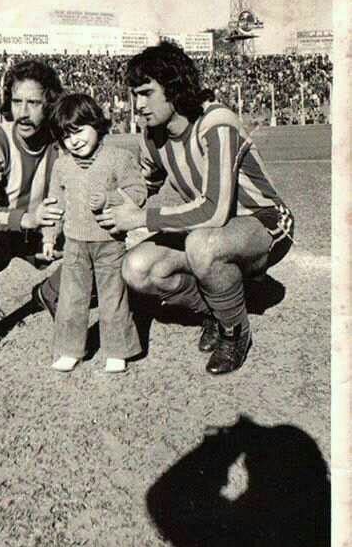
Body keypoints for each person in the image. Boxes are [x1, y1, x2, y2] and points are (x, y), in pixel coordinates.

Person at [96, 41, 295, 375]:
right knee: (137, 268)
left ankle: (235, 331)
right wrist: (117, 199)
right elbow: (146, 185)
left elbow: (215, 211)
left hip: (264, 221)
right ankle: (214, 311)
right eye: (134, 95)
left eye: (146, 93)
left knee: (203, 244)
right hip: (209, 230)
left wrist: (139, 217)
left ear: (173, 88)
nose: (138, 105)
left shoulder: (215, 121)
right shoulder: (152, 137)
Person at [0, 58, 66, 349]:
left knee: (107, 246)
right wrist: (26, 219)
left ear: (50, 102)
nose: (23, 112)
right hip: (7, 234)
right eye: (17, 101)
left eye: (33, 102)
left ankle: (50, 293)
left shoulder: (64, 141)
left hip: (51, 232)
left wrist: (55, 229)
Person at [42, 93, 145, 373]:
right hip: (75, 243)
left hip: (110, 242)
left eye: (79, 130)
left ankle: (117, 350)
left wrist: (110, 198)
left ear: (97, 124)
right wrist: (49, 237)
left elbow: (138, 192)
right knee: (72, 298)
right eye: (66, 135)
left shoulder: (118, 158)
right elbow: (54, 204)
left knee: (113, 297)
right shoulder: (62, 165)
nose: (74, 140)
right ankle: (69, 350)